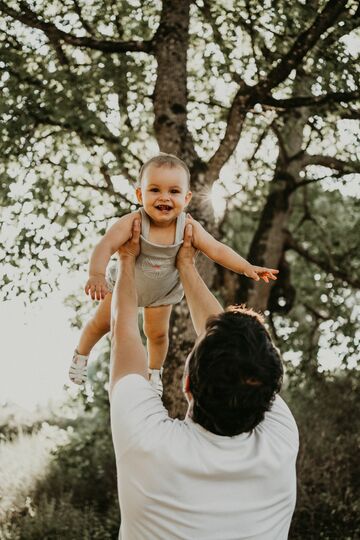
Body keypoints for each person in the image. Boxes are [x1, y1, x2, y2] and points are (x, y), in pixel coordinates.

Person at [109, 218, 299, 540]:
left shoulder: (146, 441)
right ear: (268, 396)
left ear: (186, 387)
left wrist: (127, 259)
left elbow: (125, 329)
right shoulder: (280, 439)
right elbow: (219, 338)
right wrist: (185, 266)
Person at [69, 153, 278, 391]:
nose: (164, 197)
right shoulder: (133, 221)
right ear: (140, 195)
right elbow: (105, 245)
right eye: (155, 190)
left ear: (187, 197)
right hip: (124, 287)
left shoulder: (188, 226)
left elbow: (217, 250)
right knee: (101, 323)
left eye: (174, 192)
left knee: (157, 335)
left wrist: (246, 267)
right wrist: (96, 274)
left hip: (162, 292)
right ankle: (81, 355)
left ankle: (154, 373)